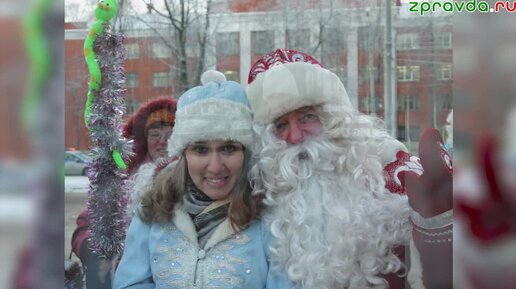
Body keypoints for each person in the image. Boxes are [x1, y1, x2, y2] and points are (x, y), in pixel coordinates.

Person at [246, 49, 452, 289]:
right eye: (281, 125)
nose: (295, 136)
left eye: (307, 117)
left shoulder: (399, 174)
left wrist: (442, 228)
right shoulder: (266, 196)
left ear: (336, 118)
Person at [113, 70, 293, 289]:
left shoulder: (271, 216)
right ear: (184, 154)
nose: (216, 166)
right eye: (201, 150)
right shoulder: (155, 208)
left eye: (229, 148)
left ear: (246, 153)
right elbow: (130, 283)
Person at [70, 97, 177, 289]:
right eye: (155, 134)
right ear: (145, 139)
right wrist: (92, 251)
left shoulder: (195, 178)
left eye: (170, 134)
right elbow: (87, 222)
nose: (162, 142)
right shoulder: (124, 176)